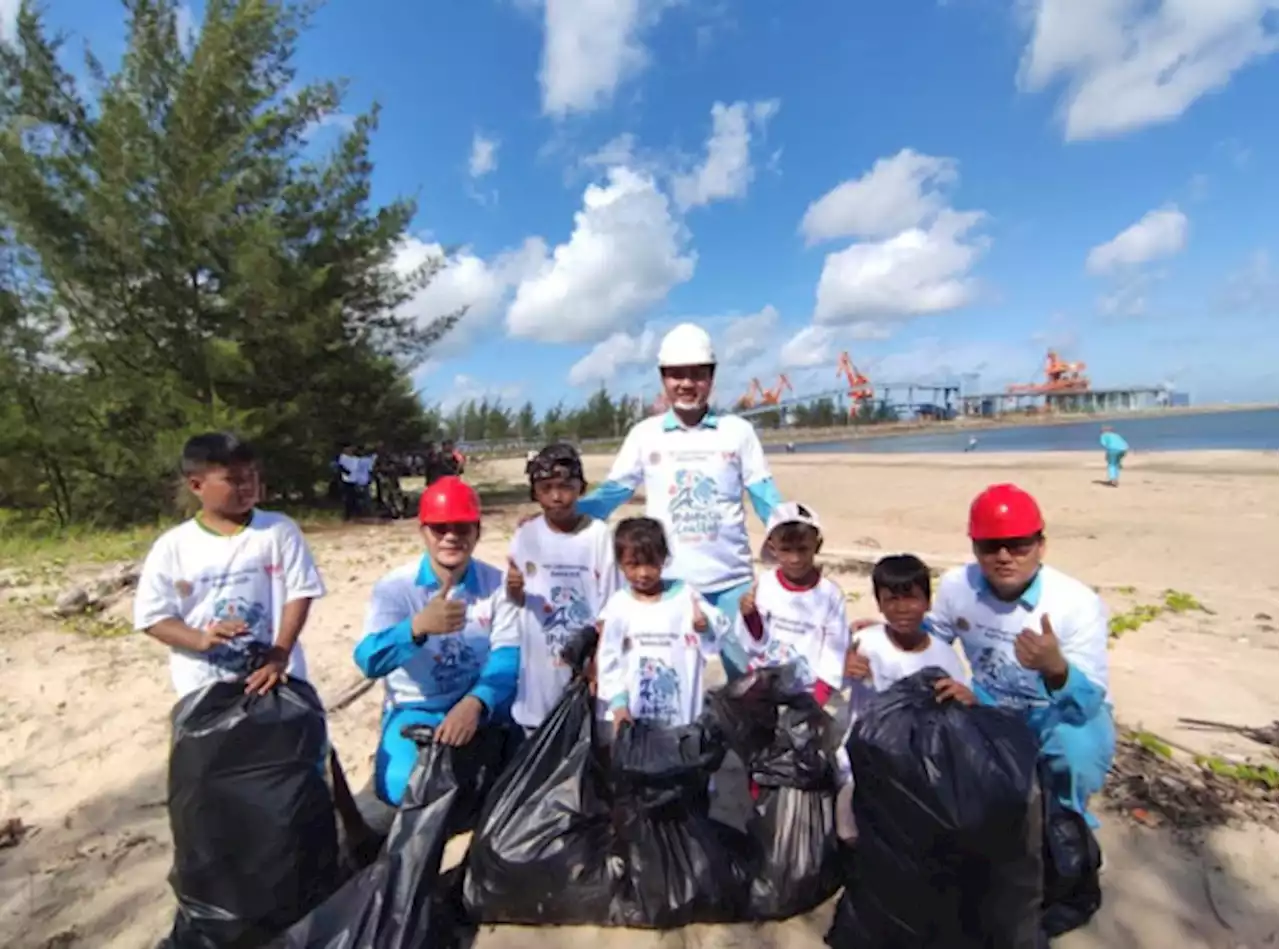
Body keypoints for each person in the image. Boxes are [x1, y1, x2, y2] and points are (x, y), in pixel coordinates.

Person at [577, 323, 783, 678]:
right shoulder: (645, 434)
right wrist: (561, 517)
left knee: (748, 683)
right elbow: (613, 493)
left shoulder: (738, 432)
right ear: (663, 379)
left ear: (711, 377)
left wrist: (790, 538)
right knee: (667, 678)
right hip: (667, 585)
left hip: (731, 582)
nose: (687, 384)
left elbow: (764, 494)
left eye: (697, 374)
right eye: (677, 375)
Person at [929, 483, 1114, 828]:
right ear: (974, 547)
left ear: (1041, 546)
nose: (1003, 556)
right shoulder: (957, 587)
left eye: (1018, 545)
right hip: (988, 702)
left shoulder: (1075, 603)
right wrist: (890, 633)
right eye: (990, 546)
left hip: (1059, 710)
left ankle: (1070, 824)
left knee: (1076, 750)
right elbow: (934, 639)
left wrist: (1056, 669)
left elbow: (1088, 702)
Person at [353, 476, 521, 823]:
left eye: (461, 527)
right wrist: (415, 629)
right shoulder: (396, 589)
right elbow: (368, 660)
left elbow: (508, 654)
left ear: (478, 531)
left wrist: (476, 702)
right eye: (439, 528)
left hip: (481, 705)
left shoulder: (497, 585)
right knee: (402, 789)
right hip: (417, 709)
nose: (451, 537)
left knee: (518, 782)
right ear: (423, 531)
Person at [134, 432, 326, 698]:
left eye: (251, 477)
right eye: (233, 480)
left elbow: (300, 592)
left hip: (276, 679)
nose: (247, 487)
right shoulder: (173, 546)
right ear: (196, 485)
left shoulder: (278, 530)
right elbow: (152, 617)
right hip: (205, 688)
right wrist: (199, 639)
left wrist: (280, 654)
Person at [836, 553, 974, 843]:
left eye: (911, 598)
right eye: (891, 600)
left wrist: (965, 699)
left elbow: (956, 719)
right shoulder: (865, 643)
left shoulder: (944, 656)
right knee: (849, 832)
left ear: (927, 602)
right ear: (879, 603)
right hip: (863, 761)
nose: (902, 609)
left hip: (917, 769)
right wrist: (843, 667)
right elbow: (829, 681)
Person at [507, 443, 621, 734]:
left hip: (585, 666)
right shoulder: (525, 535)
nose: (557, 497)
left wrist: (597, 660)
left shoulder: (599, 536)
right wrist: (515, 590)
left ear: (581, 488)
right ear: (535, 492)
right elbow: (514, 601)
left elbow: (611, 605)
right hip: (539, 672)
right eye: (546, 488)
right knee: (539, 742)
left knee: (586, 738)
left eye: (566, 486)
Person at [596, 517, 730, 729]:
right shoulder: (618, 606)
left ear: (664, 558)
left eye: (650, 563)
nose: (643, 573)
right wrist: (619, 703)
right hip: (634, 717)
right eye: (633, 564)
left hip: (682, 719)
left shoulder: (686, 596)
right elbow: (608, 658)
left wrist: (704, 627)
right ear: (620, 564)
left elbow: (718, 629)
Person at [736, 502, 849, 706]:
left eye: (802, 549)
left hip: (807, 693)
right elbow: (755, 644)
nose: (795, 559)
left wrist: (818, 698)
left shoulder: (830, 595)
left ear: (817, 545)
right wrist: (749, 616)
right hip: (764, 689)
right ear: (773, 548)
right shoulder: (765, 585)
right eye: (786, 550)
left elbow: (834, 650)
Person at [336, 443, 362, 520]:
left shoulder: (355, 458)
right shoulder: (342, 457)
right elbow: (341, 468)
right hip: (345, 481)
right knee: (348, 498)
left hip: (354, 481)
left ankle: (355, 515)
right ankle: (348, 515)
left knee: (355, 498)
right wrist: (347, 471)